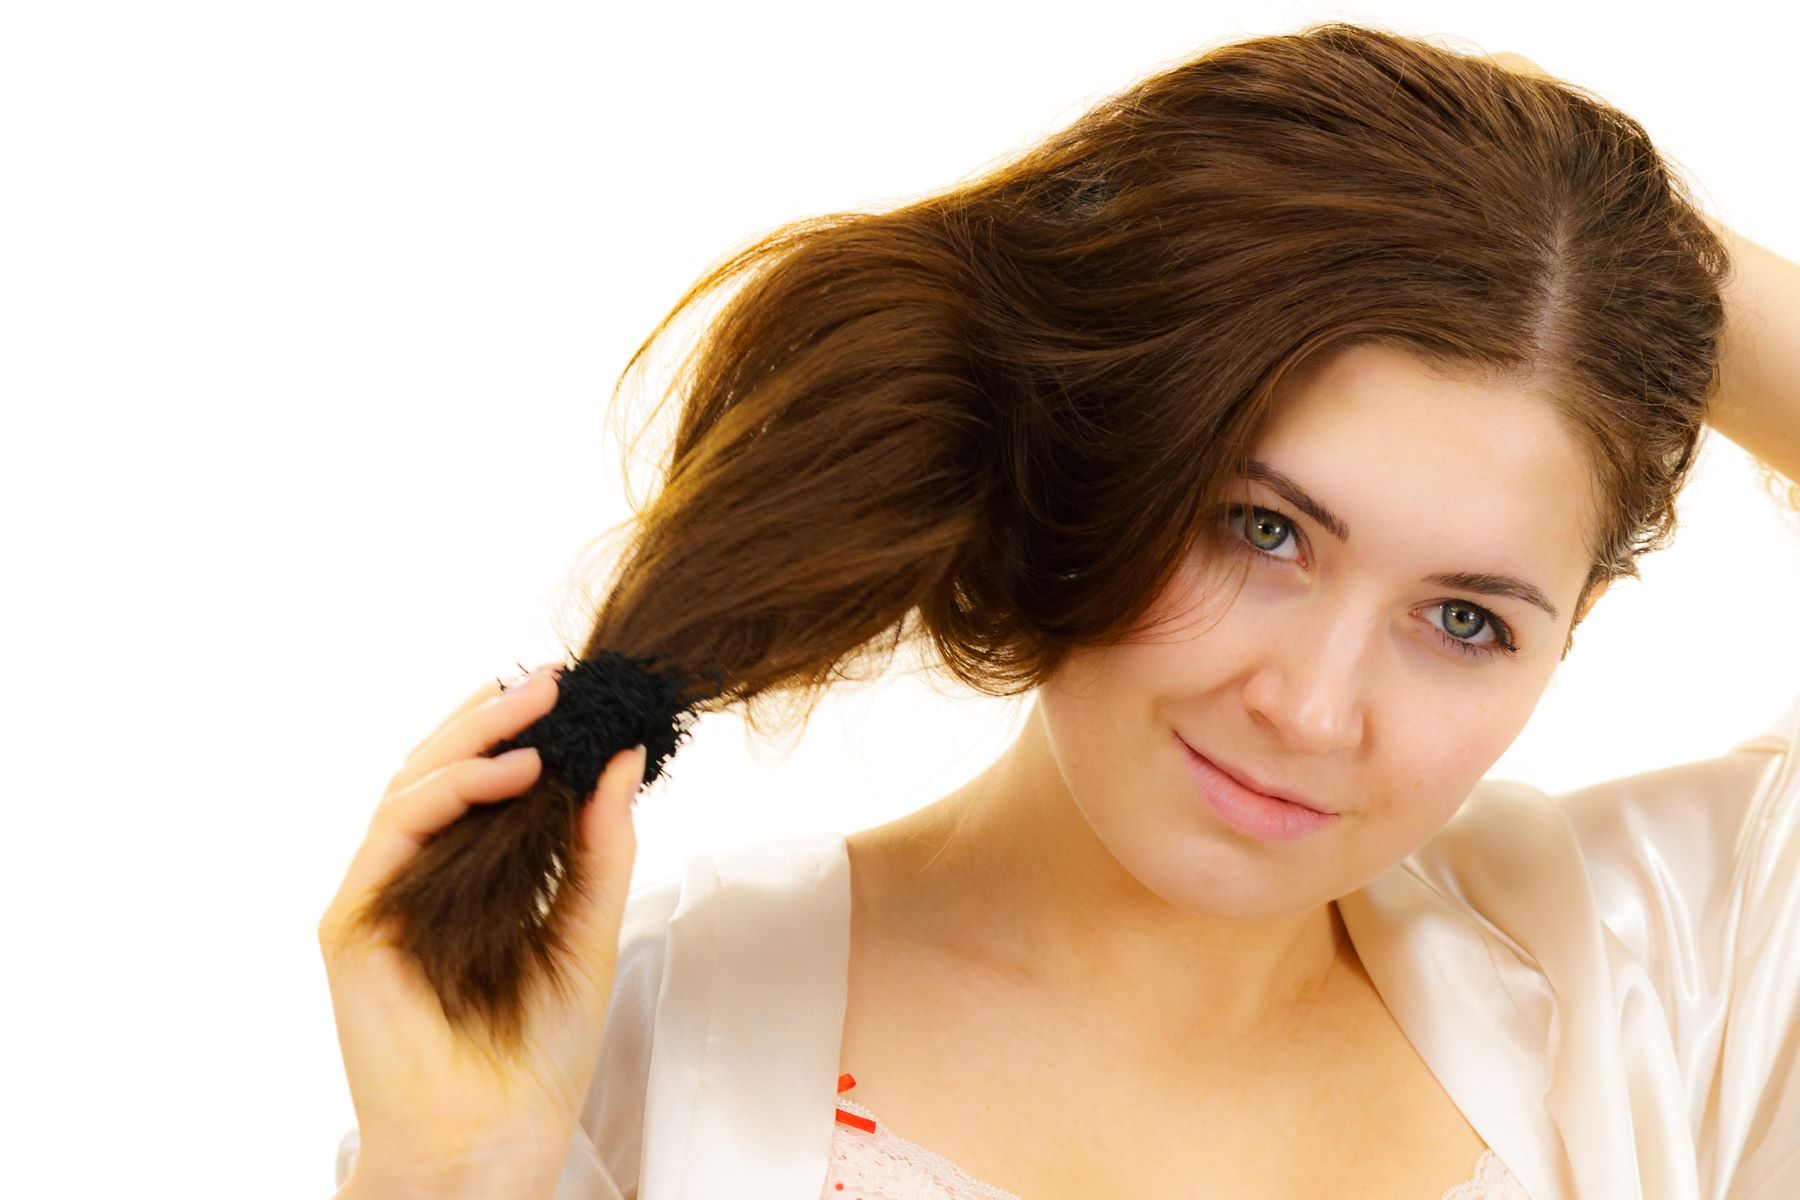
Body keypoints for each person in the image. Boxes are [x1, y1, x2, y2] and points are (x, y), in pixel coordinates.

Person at [317, 21, 1800, 1200]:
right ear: (1088, 453)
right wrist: (455, 1184)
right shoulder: (620, 1064)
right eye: (1261, 529)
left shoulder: (1652, 983)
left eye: (1468, 619)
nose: (1311, 707)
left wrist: (1599, 256)